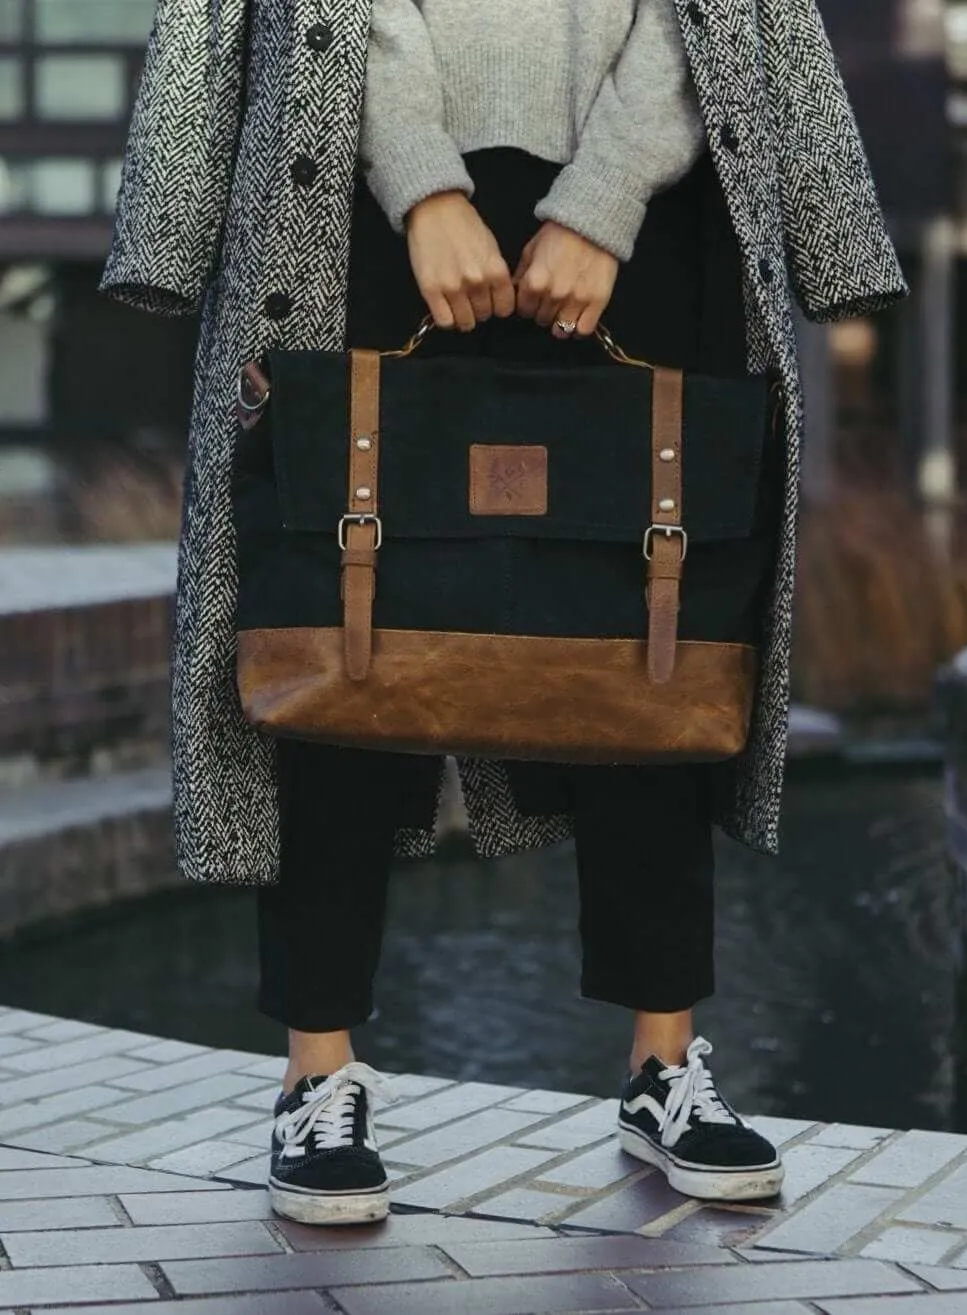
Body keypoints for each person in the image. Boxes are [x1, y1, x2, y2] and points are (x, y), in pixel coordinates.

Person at [99, 0, 906, 1229]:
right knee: (340, 618)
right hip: (351, 174)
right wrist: (422, 183)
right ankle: (319, 1074)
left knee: (649, 630)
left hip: (651, 198)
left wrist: (607, 192)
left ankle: (662, 1064)